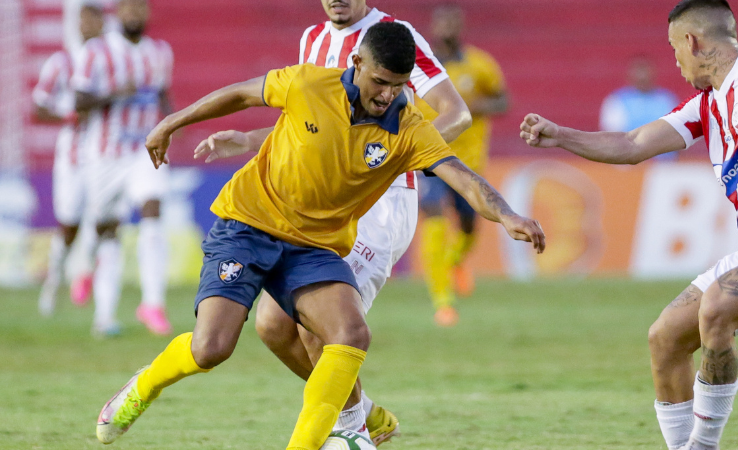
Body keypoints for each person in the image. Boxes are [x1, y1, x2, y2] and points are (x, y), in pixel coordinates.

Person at [95, 22, 545, 450]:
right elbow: (240, 94)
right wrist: (171, 122)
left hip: (313, 246)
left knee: (350, 332)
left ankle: (327, 436)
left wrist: (507, 216)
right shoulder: (308, 84)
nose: (388, 95)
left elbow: (462, 177)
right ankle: (142, 386)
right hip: (247, 225)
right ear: (357, 62)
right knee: (211, 348)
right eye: (380, 81)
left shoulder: (407, 128)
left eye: (399, 85)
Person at [519, 1, 738, 449]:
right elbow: (633, 143)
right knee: (665, 337)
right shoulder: (706, 104)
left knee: (717, 307)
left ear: (692, 41)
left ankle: (703, 446)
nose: (676, 61)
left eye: (674, 50)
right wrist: (561, 135)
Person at [195, 0, 472, 443]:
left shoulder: (394, 37)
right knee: (271, 325)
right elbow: (312, 124)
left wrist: (393, 160)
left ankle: (350, 433)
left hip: (382, 205)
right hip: (327, 206)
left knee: (318, 328)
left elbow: (457, 114)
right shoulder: (313, 39)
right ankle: (362, 416)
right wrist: (249, 138)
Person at [71, 0, 174, 337]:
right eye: (127, 8)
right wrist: (114, 93)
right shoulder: (97, 51)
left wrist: (173, 126)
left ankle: (153, 303)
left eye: (139, 8)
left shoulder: (160, 52)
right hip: (104, 156)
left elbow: (162, 96)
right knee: (107, 230)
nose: (133, 14)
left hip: (143, 151)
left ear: (147, 13)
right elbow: (79, 101)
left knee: (152, 209)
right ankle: (104, 314)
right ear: (118, 14)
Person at [417, 4, 509, 326]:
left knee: (470, 224)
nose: (447, 27)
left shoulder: (480, 64)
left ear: (461, 25)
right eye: (442, 21)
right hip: (429, 157)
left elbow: (503, 100)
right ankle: (442, 302)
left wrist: (474, 105)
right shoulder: (420, 68)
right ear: (433, 26)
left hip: (468, 162)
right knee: (432, 211)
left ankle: (455, 261)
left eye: (453, 21)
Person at [34, 3, 104, 317]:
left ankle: (86, 277)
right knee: (70, 224)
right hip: (73, 156)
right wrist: (70, 114)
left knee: (104, 218)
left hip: (106, 154)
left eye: (94, 19)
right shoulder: (61, 62)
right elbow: (39, 107)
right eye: (83, 19)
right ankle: (53, 283)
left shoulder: (111, 59)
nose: (87, 25)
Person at [599, 56, 679, 161]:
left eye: (645, 71)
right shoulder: (617, 101)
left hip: (663, 164)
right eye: (638, 72)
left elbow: (677, 133)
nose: (642, 76)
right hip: (629, 164)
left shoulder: (667, 99)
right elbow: (613, 136)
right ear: (630, 74)